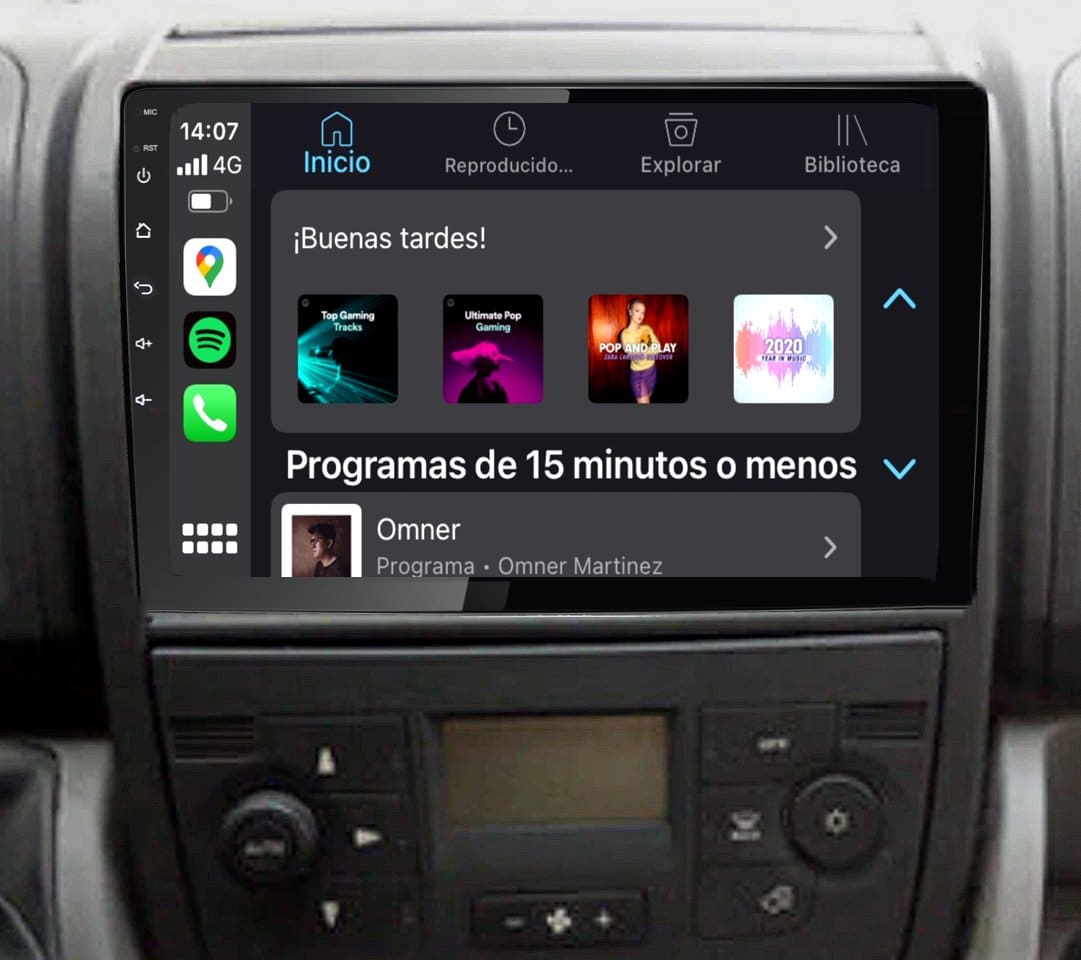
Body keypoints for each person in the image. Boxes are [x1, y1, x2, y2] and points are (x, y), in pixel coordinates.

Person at [619, 298, 661, 403]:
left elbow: (658, 347)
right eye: (637, 310)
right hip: (639, 375)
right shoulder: (625, 334)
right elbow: (639, 359)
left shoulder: (647, 328)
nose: (641, 315)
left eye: (643, 312)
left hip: (652, 371)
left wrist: (645, 348)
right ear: (630, 311)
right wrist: (648, 343)